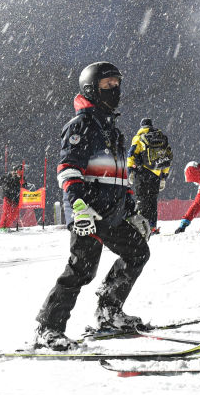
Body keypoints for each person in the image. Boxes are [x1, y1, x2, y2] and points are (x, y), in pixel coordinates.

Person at [34, 62, 152, 350]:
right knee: (81, 270)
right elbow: (68, 170)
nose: (115, 90)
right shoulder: (81, 126)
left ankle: (109, 310)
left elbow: (119, 177)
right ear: (91, 89)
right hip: (89, 212)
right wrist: (78, 206)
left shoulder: (112, 129)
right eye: (107, 85)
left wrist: (131, 209)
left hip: (112, 214)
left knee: (137, 252)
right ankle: (48, 329)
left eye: (116, 84)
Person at [126, 117, 172, 233]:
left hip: (142, 173)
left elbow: (131, 155)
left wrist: (130, 171)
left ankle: (142, 228)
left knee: (142, 200)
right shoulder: (161, 138)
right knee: (152, 201)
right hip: (156, 175)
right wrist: (163, 177)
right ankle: (152, 226)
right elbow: (166, 159)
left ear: (142, 126)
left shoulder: (138, 138)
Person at [0, 164, 34, 231]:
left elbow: (23, 187)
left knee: (14, 214)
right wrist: (13, 179)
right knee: (6, 213)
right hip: (8, 198)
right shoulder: (9, 176)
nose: (20, 172)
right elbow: (4, 183)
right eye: (19, 170)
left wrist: (20, 179)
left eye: (22, 171)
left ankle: (6, 226)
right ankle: (2, 227)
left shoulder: (22, 178)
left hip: (16, 199)